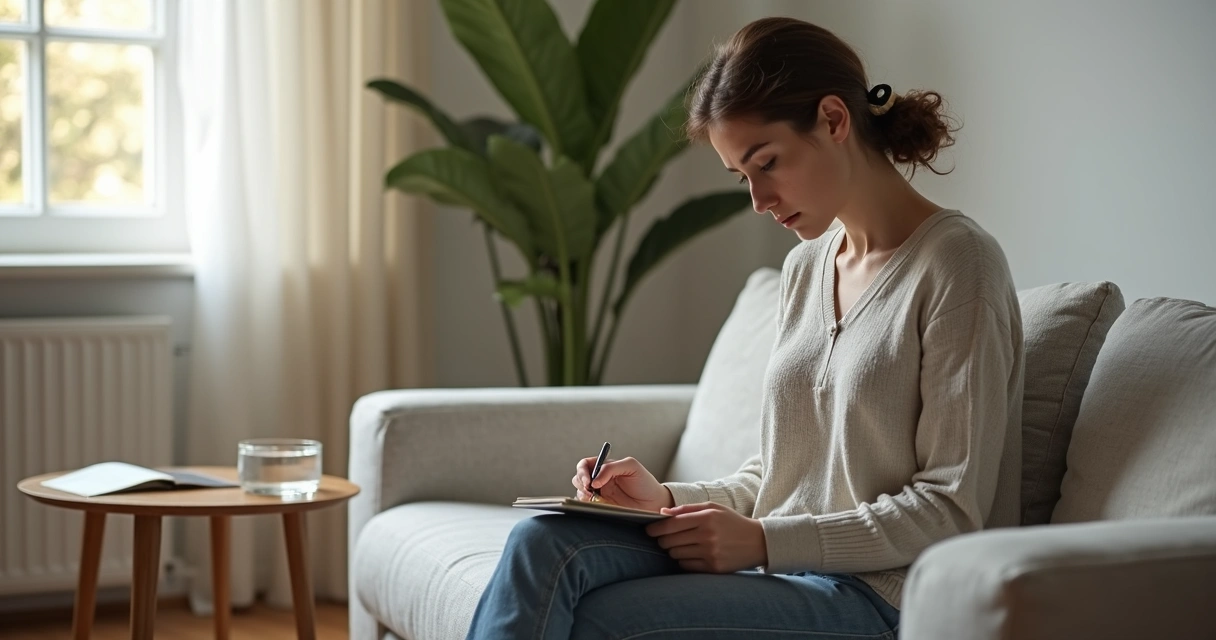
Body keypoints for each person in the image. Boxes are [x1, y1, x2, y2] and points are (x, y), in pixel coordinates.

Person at [466, 16, 1023, 640]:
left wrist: (764, 541)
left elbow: (951, 508)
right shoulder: (806, 267)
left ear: (834, 120)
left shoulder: (957, 264)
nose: (758, 199)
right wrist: (667, 501)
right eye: (742, 176)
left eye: (768, 163)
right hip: (784, 571)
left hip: (882, 598)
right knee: (545, 539)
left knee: (601, 622)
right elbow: (782, 475)